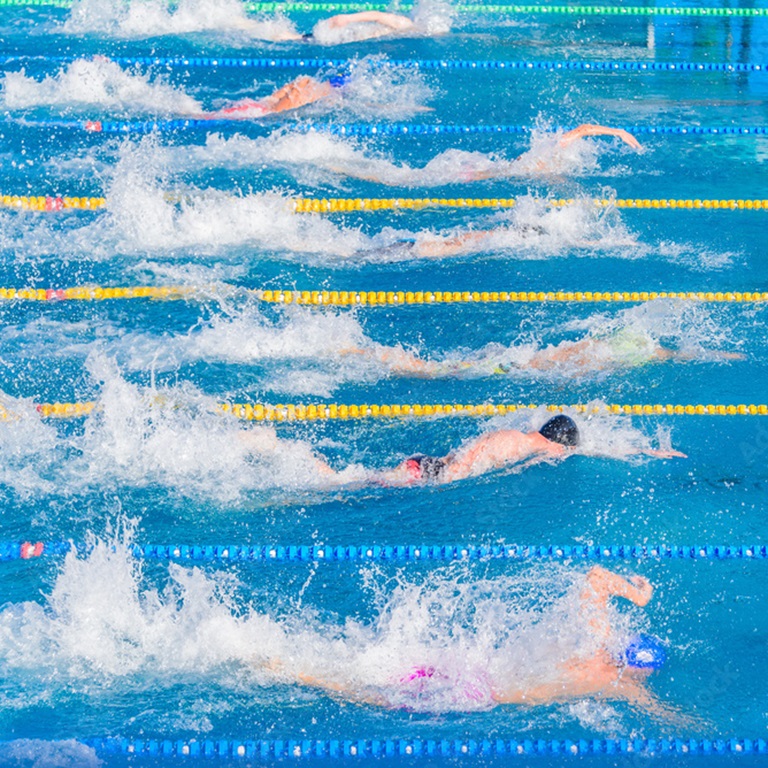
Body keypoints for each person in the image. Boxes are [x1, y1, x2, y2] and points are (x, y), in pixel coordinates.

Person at [268, 565, 679, 717]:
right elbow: (668, 720)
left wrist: (638, 594)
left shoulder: (596, 640)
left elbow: (594, 577)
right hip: (478, 692)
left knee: (386, 668)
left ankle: (291, 659)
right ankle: (296, 675)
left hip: (470, 662)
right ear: (637, 671)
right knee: (371, 695)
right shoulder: (617, 684)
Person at [373, 414, 685, 486]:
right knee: (361, 482)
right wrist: (445, 481)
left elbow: (594, 449)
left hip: (430, 464)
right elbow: (470, 457)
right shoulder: (512, 443)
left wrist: (647, 451)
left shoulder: (529, 443)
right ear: (557, 445)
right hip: (427, 471)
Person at [342, 325, 745, 377]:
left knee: (443, 368)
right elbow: (582, 364)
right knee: (437, 373)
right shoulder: (621, 355)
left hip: (521, 359)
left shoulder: (620, 339)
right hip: (515, 368)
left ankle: (364, 353)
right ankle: (363, 355)